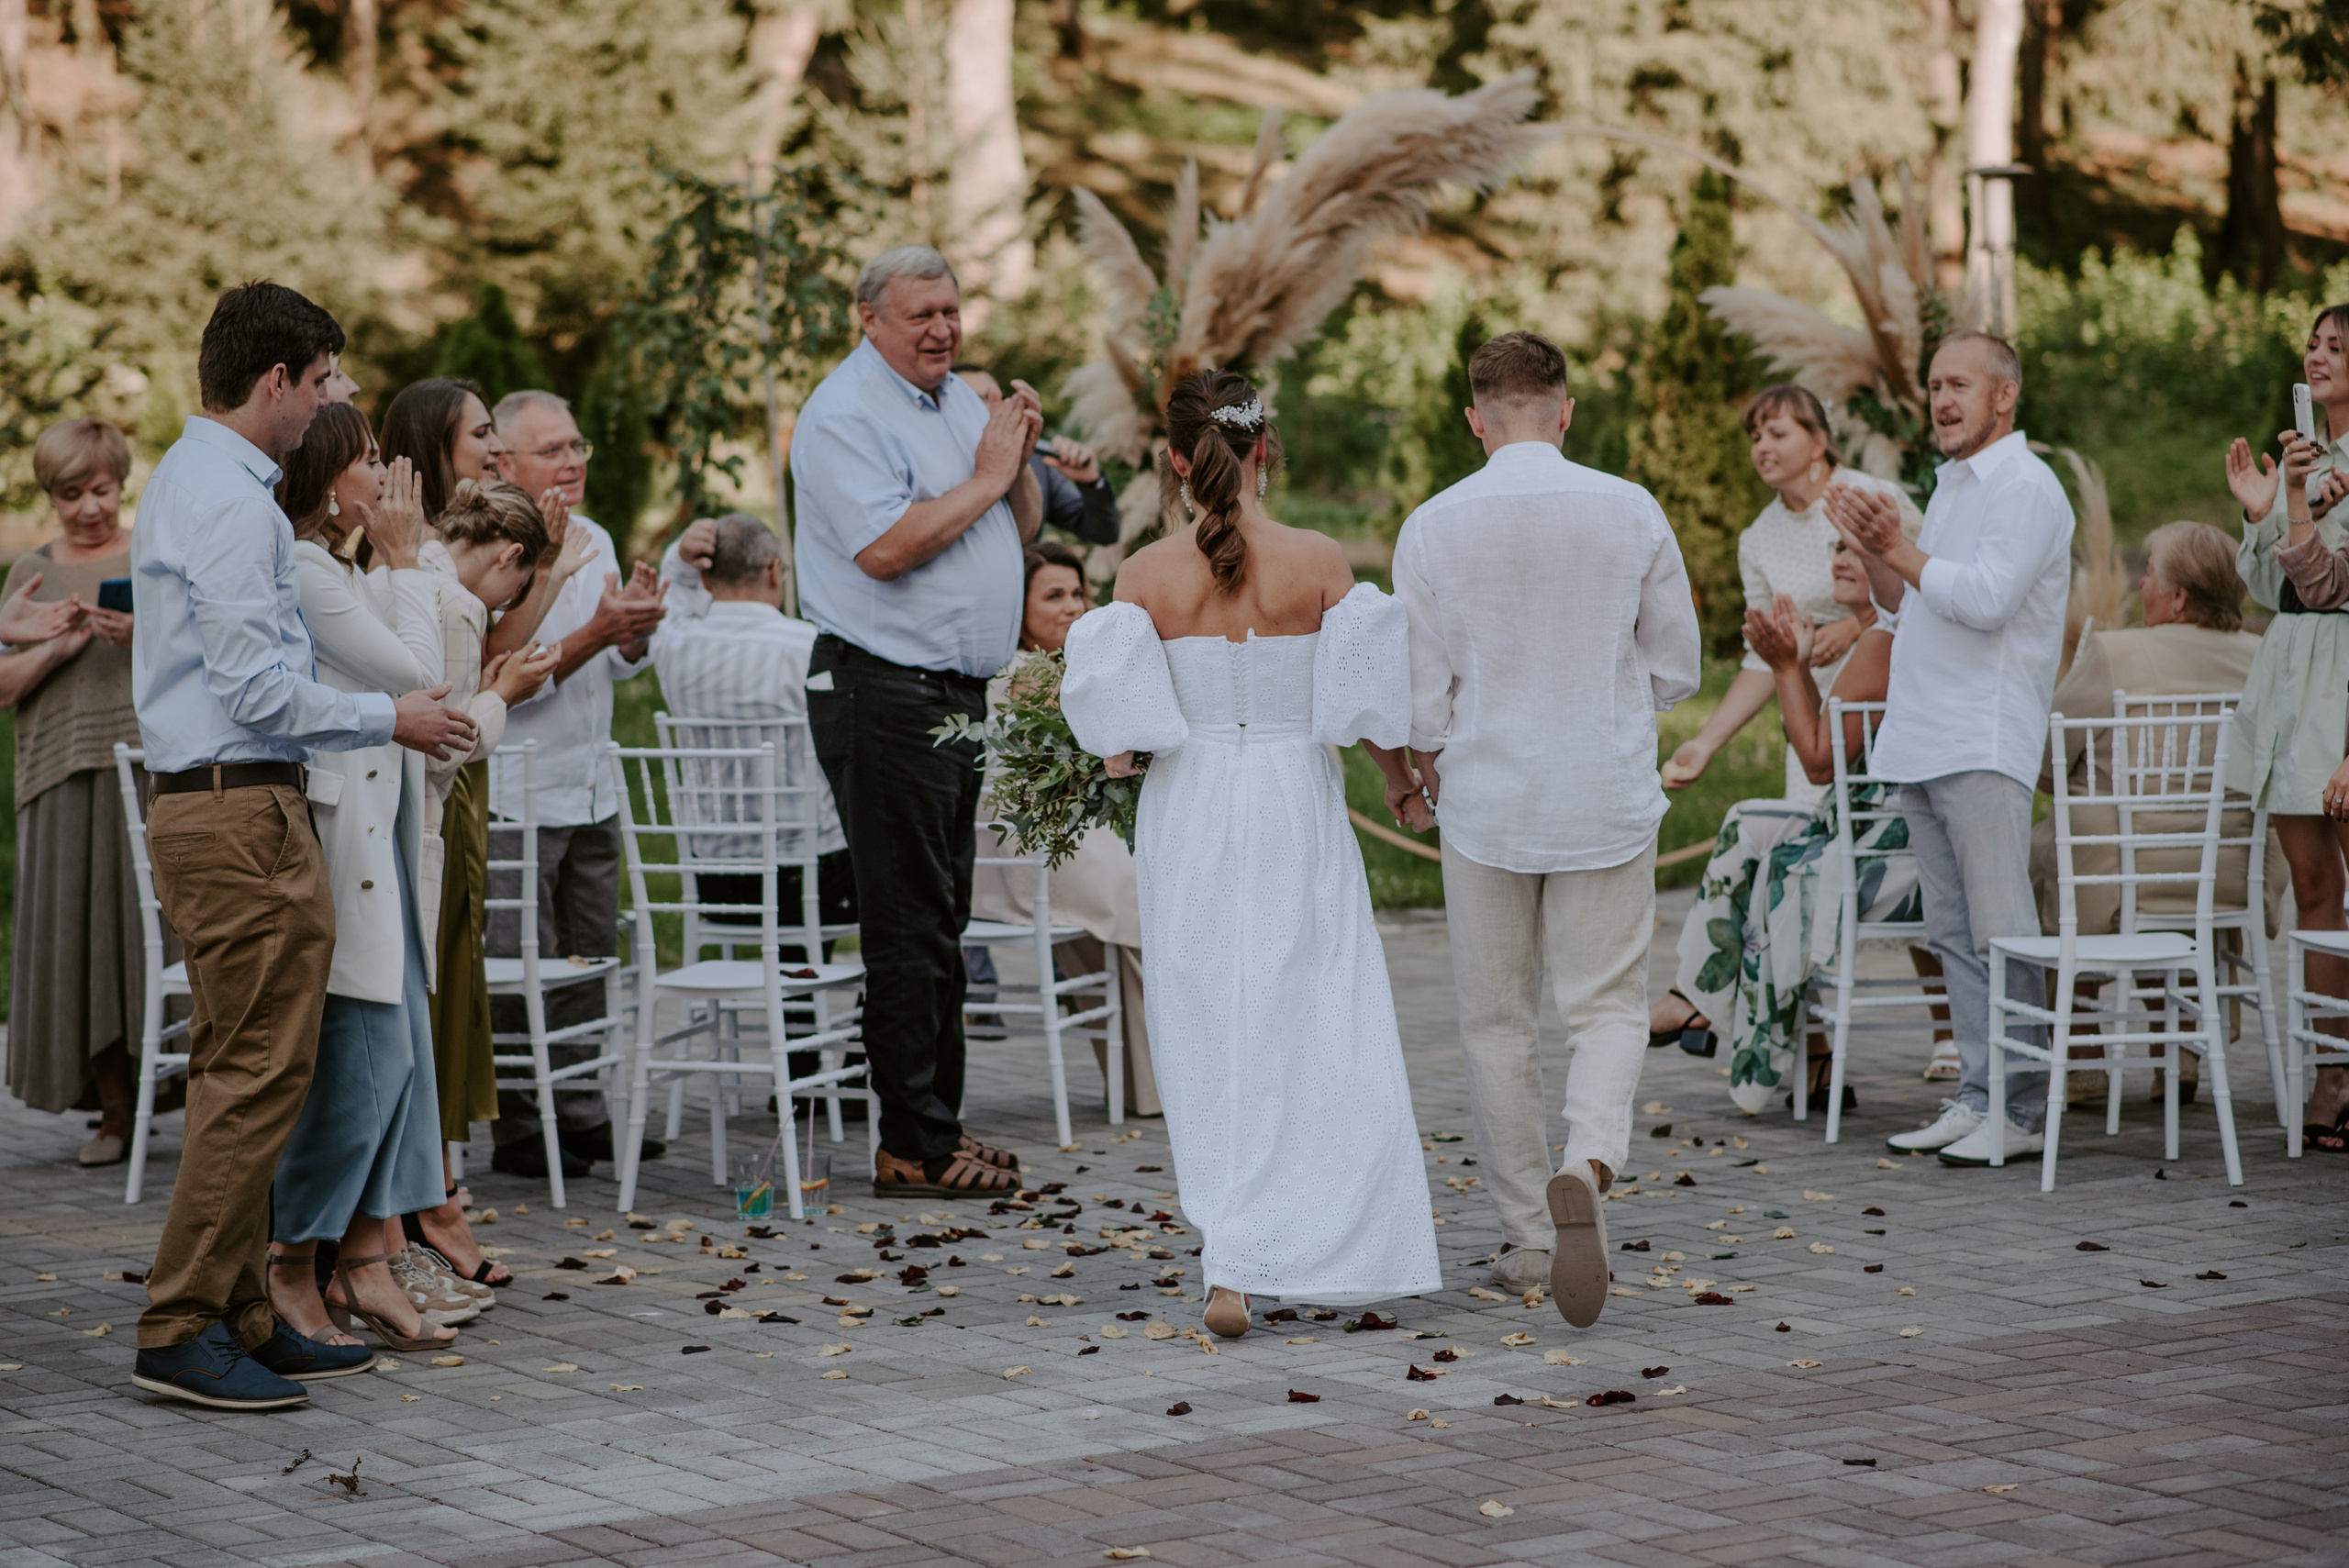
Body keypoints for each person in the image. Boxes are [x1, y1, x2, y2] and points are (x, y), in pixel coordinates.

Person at [127, 281, 474, 1411]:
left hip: (232, 802)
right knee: (255, 1073)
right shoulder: (229, 502)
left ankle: (236, 1313)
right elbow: (256, 685)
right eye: (324, 382)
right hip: (236, 805)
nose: (329, 403)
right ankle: (181, 1323)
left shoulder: (206, 482)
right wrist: (395, 717)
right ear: (277, 379)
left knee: (254, 1067)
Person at [1062, 368, 1441, 1334]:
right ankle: (1321, 1235)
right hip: (1292, 803)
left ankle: (1227, 1254)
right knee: (1313, 1013)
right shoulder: (1318, 560)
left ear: (1177, 462)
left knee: (1204, 1022)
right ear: (1264, 449)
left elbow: (1119, 742)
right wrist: (1400, 781)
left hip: (1189, 809)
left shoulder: (1141, 575)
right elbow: (1365, 707)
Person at [1390, 330, 1701, 1321]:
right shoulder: (1631, 508)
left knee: (1494, 1022)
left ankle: (1530, 1235)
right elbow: (1675, 665)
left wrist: (1436, 745)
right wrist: (1609, 705)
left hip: (1485, 797)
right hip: (1602, 786)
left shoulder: (1433, 525)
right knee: (1607, 1003)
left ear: (1475, 417)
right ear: (1564, 411)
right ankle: (1590, 1157)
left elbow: (1419, 696)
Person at [789, 243, 1042, 1198]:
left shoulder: (956, 404)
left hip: (951, 697)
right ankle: (909, 1145)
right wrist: (987, 470)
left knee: (944, 920)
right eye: (919, 315)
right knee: (904, 924)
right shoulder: (843, 415)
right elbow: (887, 550)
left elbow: (1009, 527)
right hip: (882, 689)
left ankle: (942, 1124)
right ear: (868, 318)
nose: (941, 328)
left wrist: (1014, 456)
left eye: (950, 310)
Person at [1828, 331, 2076, 1168]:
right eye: (1935, 384)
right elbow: (1910, 606)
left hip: (1984, 731)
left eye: (1958, 384)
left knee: (2003, 931)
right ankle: (1977, 1096)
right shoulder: (1950, 487)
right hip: (1924, 734)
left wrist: (1899, 547)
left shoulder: (2027, 487)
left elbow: (1988, 599)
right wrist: (1873, 544)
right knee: (1954, 933)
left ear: (2004, 395)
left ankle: (2026, 1109)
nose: (1940, 399)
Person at [263, 404, 464, 1352]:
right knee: (365, 1059)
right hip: (347, 843)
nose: (386, 476)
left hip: (381, 833)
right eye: (369, 460)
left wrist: (387, 565)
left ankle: (362, 1263)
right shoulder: (307, 569)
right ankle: (293, 1261)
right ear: (328, 473)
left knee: (398, 1055)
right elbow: (423, 679)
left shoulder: (335, 567)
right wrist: (409, 558)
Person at [484, 387, 667, 1180]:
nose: (574, 460)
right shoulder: (489, 546)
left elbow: (616, 660)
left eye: (578, 444)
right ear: (504, 461)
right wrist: (600, 634)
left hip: (593, 781)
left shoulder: (592, 535)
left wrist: (635, 634)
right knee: (520, 965)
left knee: (591, 957)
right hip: (517, 789)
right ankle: (523, 1122)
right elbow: (504, 676)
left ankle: (583, 1108)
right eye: (553, 449)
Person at [1667, 548, 1919, 1117]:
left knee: (1778, 868)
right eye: (1834, 545)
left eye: (1859, 547)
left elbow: (1817, 763)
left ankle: (1744, 1039)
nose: (1839, 556)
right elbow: (1824, 745)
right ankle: (1694, 996)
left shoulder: (1882, 638)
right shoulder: (1874, 635)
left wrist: (1782, 667)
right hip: (1858, 822)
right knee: (1747, 824)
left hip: (1892, 847)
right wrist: (1799, 666)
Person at [410, 478, 562, 1279]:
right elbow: (455, 741)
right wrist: (505, 691)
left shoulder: (407, 571)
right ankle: (425, 1209)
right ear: (508, 556)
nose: (506, 601)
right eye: (518, 583)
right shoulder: (459, 606)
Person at [0, 419, 151, 1167]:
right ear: (50, 496)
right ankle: (112, 1112)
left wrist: (141, 634)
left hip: (147, 768)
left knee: (145, 941)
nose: (89, 507)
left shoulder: (154, 557)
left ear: (121, 482)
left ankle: (169, 1099)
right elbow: (1, 686)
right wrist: (57, 645)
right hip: (59, 773)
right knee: (79, 943)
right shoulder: (30, 570)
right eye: (71, 494)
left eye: (101, 489)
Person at [970, 539, 1160, 1116]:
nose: (1072, 606)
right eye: (1054, 595)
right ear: (1017, 607)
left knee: (1145, 891)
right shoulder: (1028, 674)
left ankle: (1148, 1082)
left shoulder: (1072, 668)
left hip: (1067, 829)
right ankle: (1155, 1083)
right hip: (1024, 838)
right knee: (1137, 896)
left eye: (1078, 593)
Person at [1661, 384, 1920, 801]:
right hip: (1811, 716)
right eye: (1756, 437)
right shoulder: (1758, 539)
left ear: (1818, 443)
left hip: (1889, 698)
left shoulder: (1872, 498)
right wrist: (1705, 743)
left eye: (1778, 434)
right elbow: (1766, 659)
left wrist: (1856, 628)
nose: (1763, 447)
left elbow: (1926, 588)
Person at [2224, 304, 2349, 1151]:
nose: (2318, 356)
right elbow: (2269, 590)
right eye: (2313, 343)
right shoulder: (2306, 456)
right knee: (2314, 892)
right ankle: (2332, 1069)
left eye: (2338, 346)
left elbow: (2330, 586)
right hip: (2292, 684)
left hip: (2345, 681)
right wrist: (2265, 507)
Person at [651, 513, 855, 933]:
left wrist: (680, 557)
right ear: (773, 571)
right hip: (808, 882)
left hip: (717, 882)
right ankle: (807, 992)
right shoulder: (810, 648)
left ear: (705, 580)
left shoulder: (673, 646)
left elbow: (669, 595)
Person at [953, 363, 1121, 544]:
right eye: (973, 401)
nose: (986, 408)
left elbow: (1104, 533)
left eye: (993, 398)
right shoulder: (939, 464)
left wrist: (1091, 482)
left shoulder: (1038, 460)